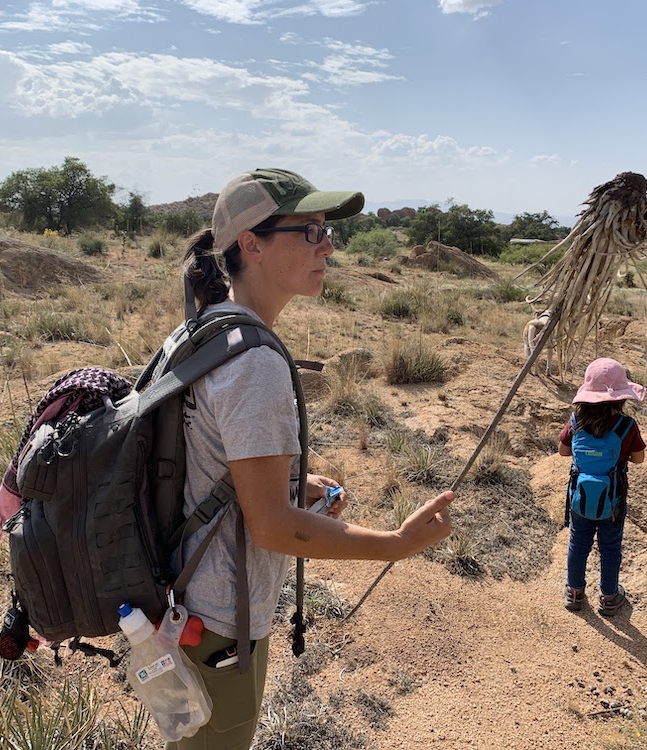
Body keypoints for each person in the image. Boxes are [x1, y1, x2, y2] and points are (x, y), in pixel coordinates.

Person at [171, 167, 454, 749]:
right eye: (310, 232)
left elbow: (201, 466)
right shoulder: (254, 363)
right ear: (250, 243)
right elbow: (272, 529)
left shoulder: (204, 327)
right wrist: (395, 545)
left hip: (184, 605)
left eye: (328, 232)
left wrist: (288, 483)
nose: (328, 246)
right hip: (220, 623)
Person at [558, 357, 646, 617]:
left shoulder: (576, 421)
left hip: (580, 497)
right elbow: (639, 458)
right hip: (613, 498)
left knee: (578, 542)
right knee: (610, 547)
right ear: (621, 397)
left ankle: (574, 592)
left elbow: (564, 451)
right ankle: (609, 597)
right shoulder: (626, 426)